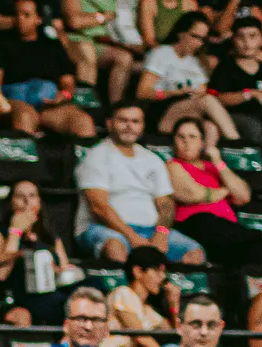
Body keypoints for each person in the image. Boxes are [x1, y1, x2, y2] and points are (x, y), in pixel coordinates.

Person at [74, 103, 204, 264]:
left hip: (150, 230)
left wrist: (161, 234)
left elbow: (166, 204)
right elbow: (99, 206)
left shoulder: (153, 159)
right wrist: (133, 238)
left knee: (195, 254)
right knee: (115, 249)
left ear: (142, 126)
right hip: (106, 229)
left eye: (135, 122)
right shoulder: (96, 157)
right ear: (109, 123)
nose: (129, 126)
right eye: (123, 121)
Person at [167, 119, 262, 268]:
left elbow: (243, 196)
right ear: (174, 142)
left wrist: (218, 162)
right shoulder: (172, 165)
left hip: (227, 232)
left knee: (259, 252)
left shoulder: (213, 167)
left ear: (202, 142)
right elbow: (197, 195)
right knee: (206, 219)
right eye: (181, 137)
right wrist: (226, 191)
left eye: (192, 137)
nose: (186, 141)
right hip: (194, 226)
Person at [0, 0, 95, 140]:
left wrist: (63, 96)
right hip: (17, 103)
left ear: (38, 19)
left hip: (49, 106)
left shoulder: (53, 46)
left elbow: (68, 84)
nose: (20, 19)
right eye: (17, 14)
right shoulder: (2, 45)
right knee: (25, 116)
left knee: (83, 122)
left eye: (26, 15)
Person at [138, 12, 236, 148]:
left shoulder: (196, 63)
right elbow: (142, 92)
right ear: (181, 33)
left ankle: (210, 164)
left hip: (189, 111)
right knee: (208, 101)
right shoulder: (161, 53)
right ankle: (237, 144)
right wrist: (174, 92)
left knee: (210, 127)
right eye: (194, 36)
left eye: (202, 39)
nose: (198, 43)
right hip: (161, 110)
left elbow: (201, 94)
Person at [61, 0, 139, 108]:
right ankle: (85, 106)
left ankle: (115, 108)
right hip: (76, 40)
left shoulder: (109, 0)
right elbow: (74, 22)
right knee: (86, 49)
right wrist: (102, 17)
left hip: (101, 43)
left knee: (124, 58)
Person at [0, 179, 70, 329]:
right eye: (20, 196)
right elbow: (1, 274)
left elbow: (64, 272)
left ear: (39, 201)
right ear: (10, 203)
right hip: (15, 299)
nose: (27, 201)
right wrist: (16, 232)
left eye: (32, 196)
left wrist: (55, 270)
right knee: (21, 316)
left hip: (49, 296)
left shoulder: (49, 236)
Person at [212, 16, 262, 154]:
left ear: (261, 40)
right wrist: (250, 94)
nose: (247, 42)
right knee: (254, 128)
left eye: (252, 36)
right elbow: (217, 98)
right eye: (241, 37)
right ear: (234, 40)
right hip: (235, 116)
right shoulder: (225, 67)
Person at [102, 244, 170, 347]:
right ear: (138, 271)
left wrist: (173, 303)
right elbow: (140, 337)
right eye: (157, 270)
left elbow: (171, 332)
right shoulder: (123, 293)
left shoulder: (147, 309)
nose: (162, 277)